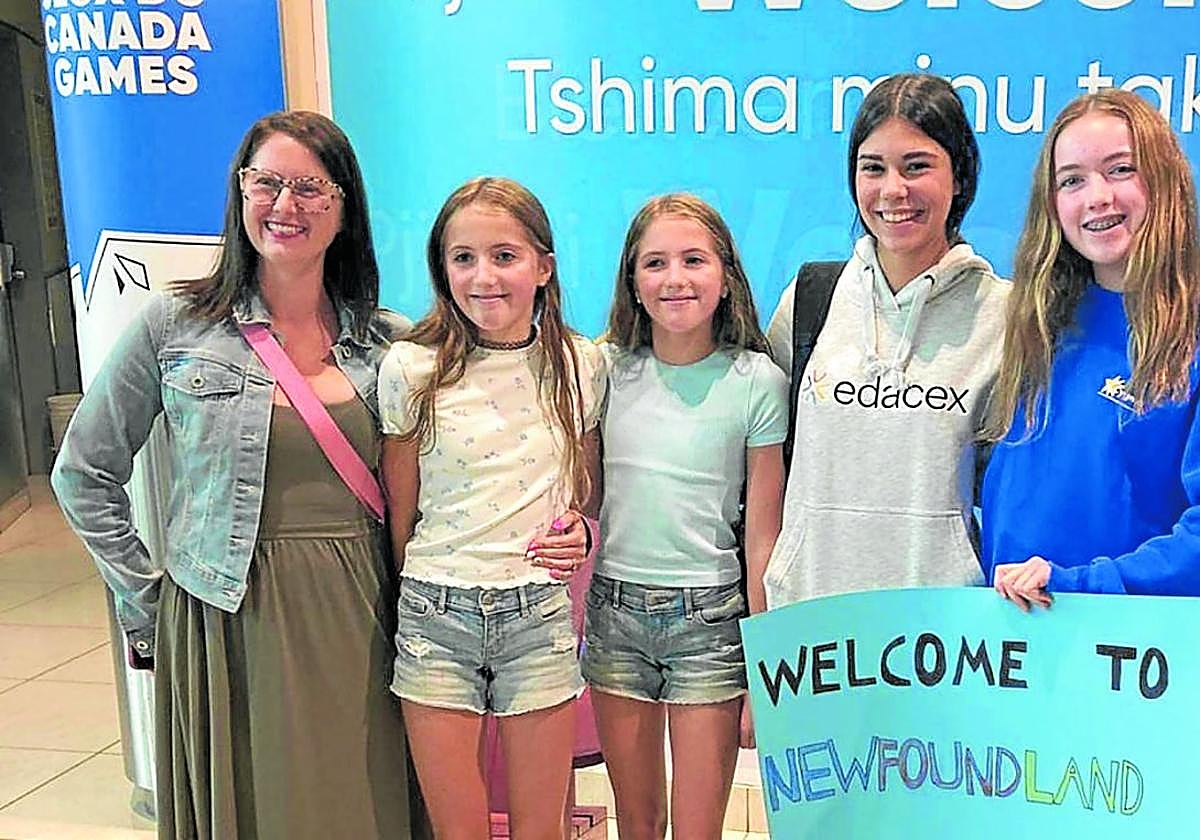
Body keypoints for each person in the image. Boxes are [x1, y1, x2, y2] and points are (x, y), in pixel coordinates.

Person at [51, 112, 427, 838]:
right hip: (228, 612)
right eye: (267, 183)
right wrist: (148, 597)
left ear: (345, 208)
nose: (286, 206)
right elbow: (85, 470)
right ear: (240, 193)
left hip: (367, 611)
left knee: (361, 799)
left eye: (311, 188)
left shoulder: (391, 343)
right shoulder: (175, 323)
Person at [378, 176, 604, 840]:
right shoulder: (412, 368)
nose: (484, 277)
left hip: (536, 613)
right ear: (442, 268)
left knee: (542, 827)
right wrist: (413, 591)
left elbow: (585, 489)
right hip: (434, 612)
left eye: (505, 256)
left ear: (543, 266)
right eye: (463, 258)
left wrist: (582, 535)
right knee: (459, 829)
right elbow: (401, 511)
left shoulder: (579, 363)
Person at [762, 73, 1009, 608]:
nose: (893, 190)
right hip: (809, 628)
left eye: (917, 166)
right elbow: (758, 469)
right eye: (873, 168)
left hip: (943, 636)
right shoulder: (810, 299)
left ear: (959, 176)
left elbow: (1018, 495)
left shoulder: (1004, 317)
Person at [583, 194, 786, 839]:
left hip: (713, 625)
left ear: (725, 275)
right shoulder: (603, 370)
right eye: (655, 263)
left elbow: (762, 537)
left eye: (694, 260)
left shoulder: (757, 381)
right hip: (615, 617)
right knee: (638, 823)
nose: (675, 279)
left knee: (699, 829)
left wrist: (764, 664)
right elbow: (581, 499)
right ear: (632, 282)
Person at [982, 89, 1200, 608]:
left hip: (1136, 658)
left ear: (1164, 181)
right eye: (1072, 180)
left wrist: (1080, 584)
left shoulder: (1189, 337)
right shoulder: (1039, 324)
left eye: (1120, 170)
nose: (1097, 197)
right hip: (1012, 648)